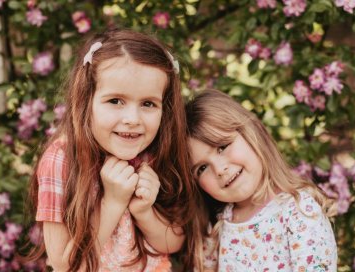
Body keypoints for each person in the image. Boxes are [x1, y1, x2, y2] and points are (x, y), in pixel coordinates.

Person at [27, 27, 196, 271]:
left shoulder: (152, 154)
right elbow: (65, 266)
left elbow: (173, 243)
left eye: (148, 103)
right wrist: (113, 203)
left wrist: (144, 211)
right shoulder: (62, 161)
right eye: (115, 101)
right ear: (87, 101)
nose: (132, 118)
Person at [185, 89, 337, 272]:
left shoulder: (298, 210)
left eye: (222, 147)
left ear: (251, 133)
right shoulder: (218, 227)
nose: (219, 169)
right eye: (202, 168)